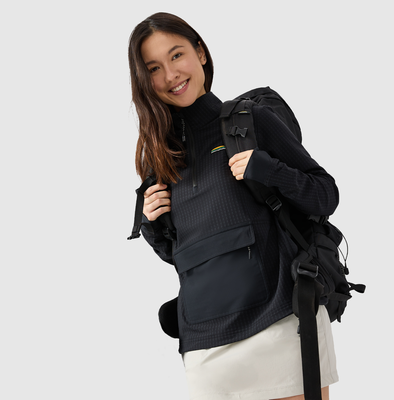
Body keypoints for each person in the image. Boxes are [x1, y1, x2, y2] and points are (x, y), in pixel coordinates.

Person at [128, 12, 339, 400]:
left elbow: (325, 195)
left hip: (282, 322)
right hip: (205, 345)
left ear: (201, 53)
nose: (170, 75)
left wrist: (270, 170)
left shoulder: (249, 120)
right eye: (154, 68)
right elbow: (184, 256)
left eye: (177, 55)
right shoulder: (158, 157)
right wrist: (152, 226)